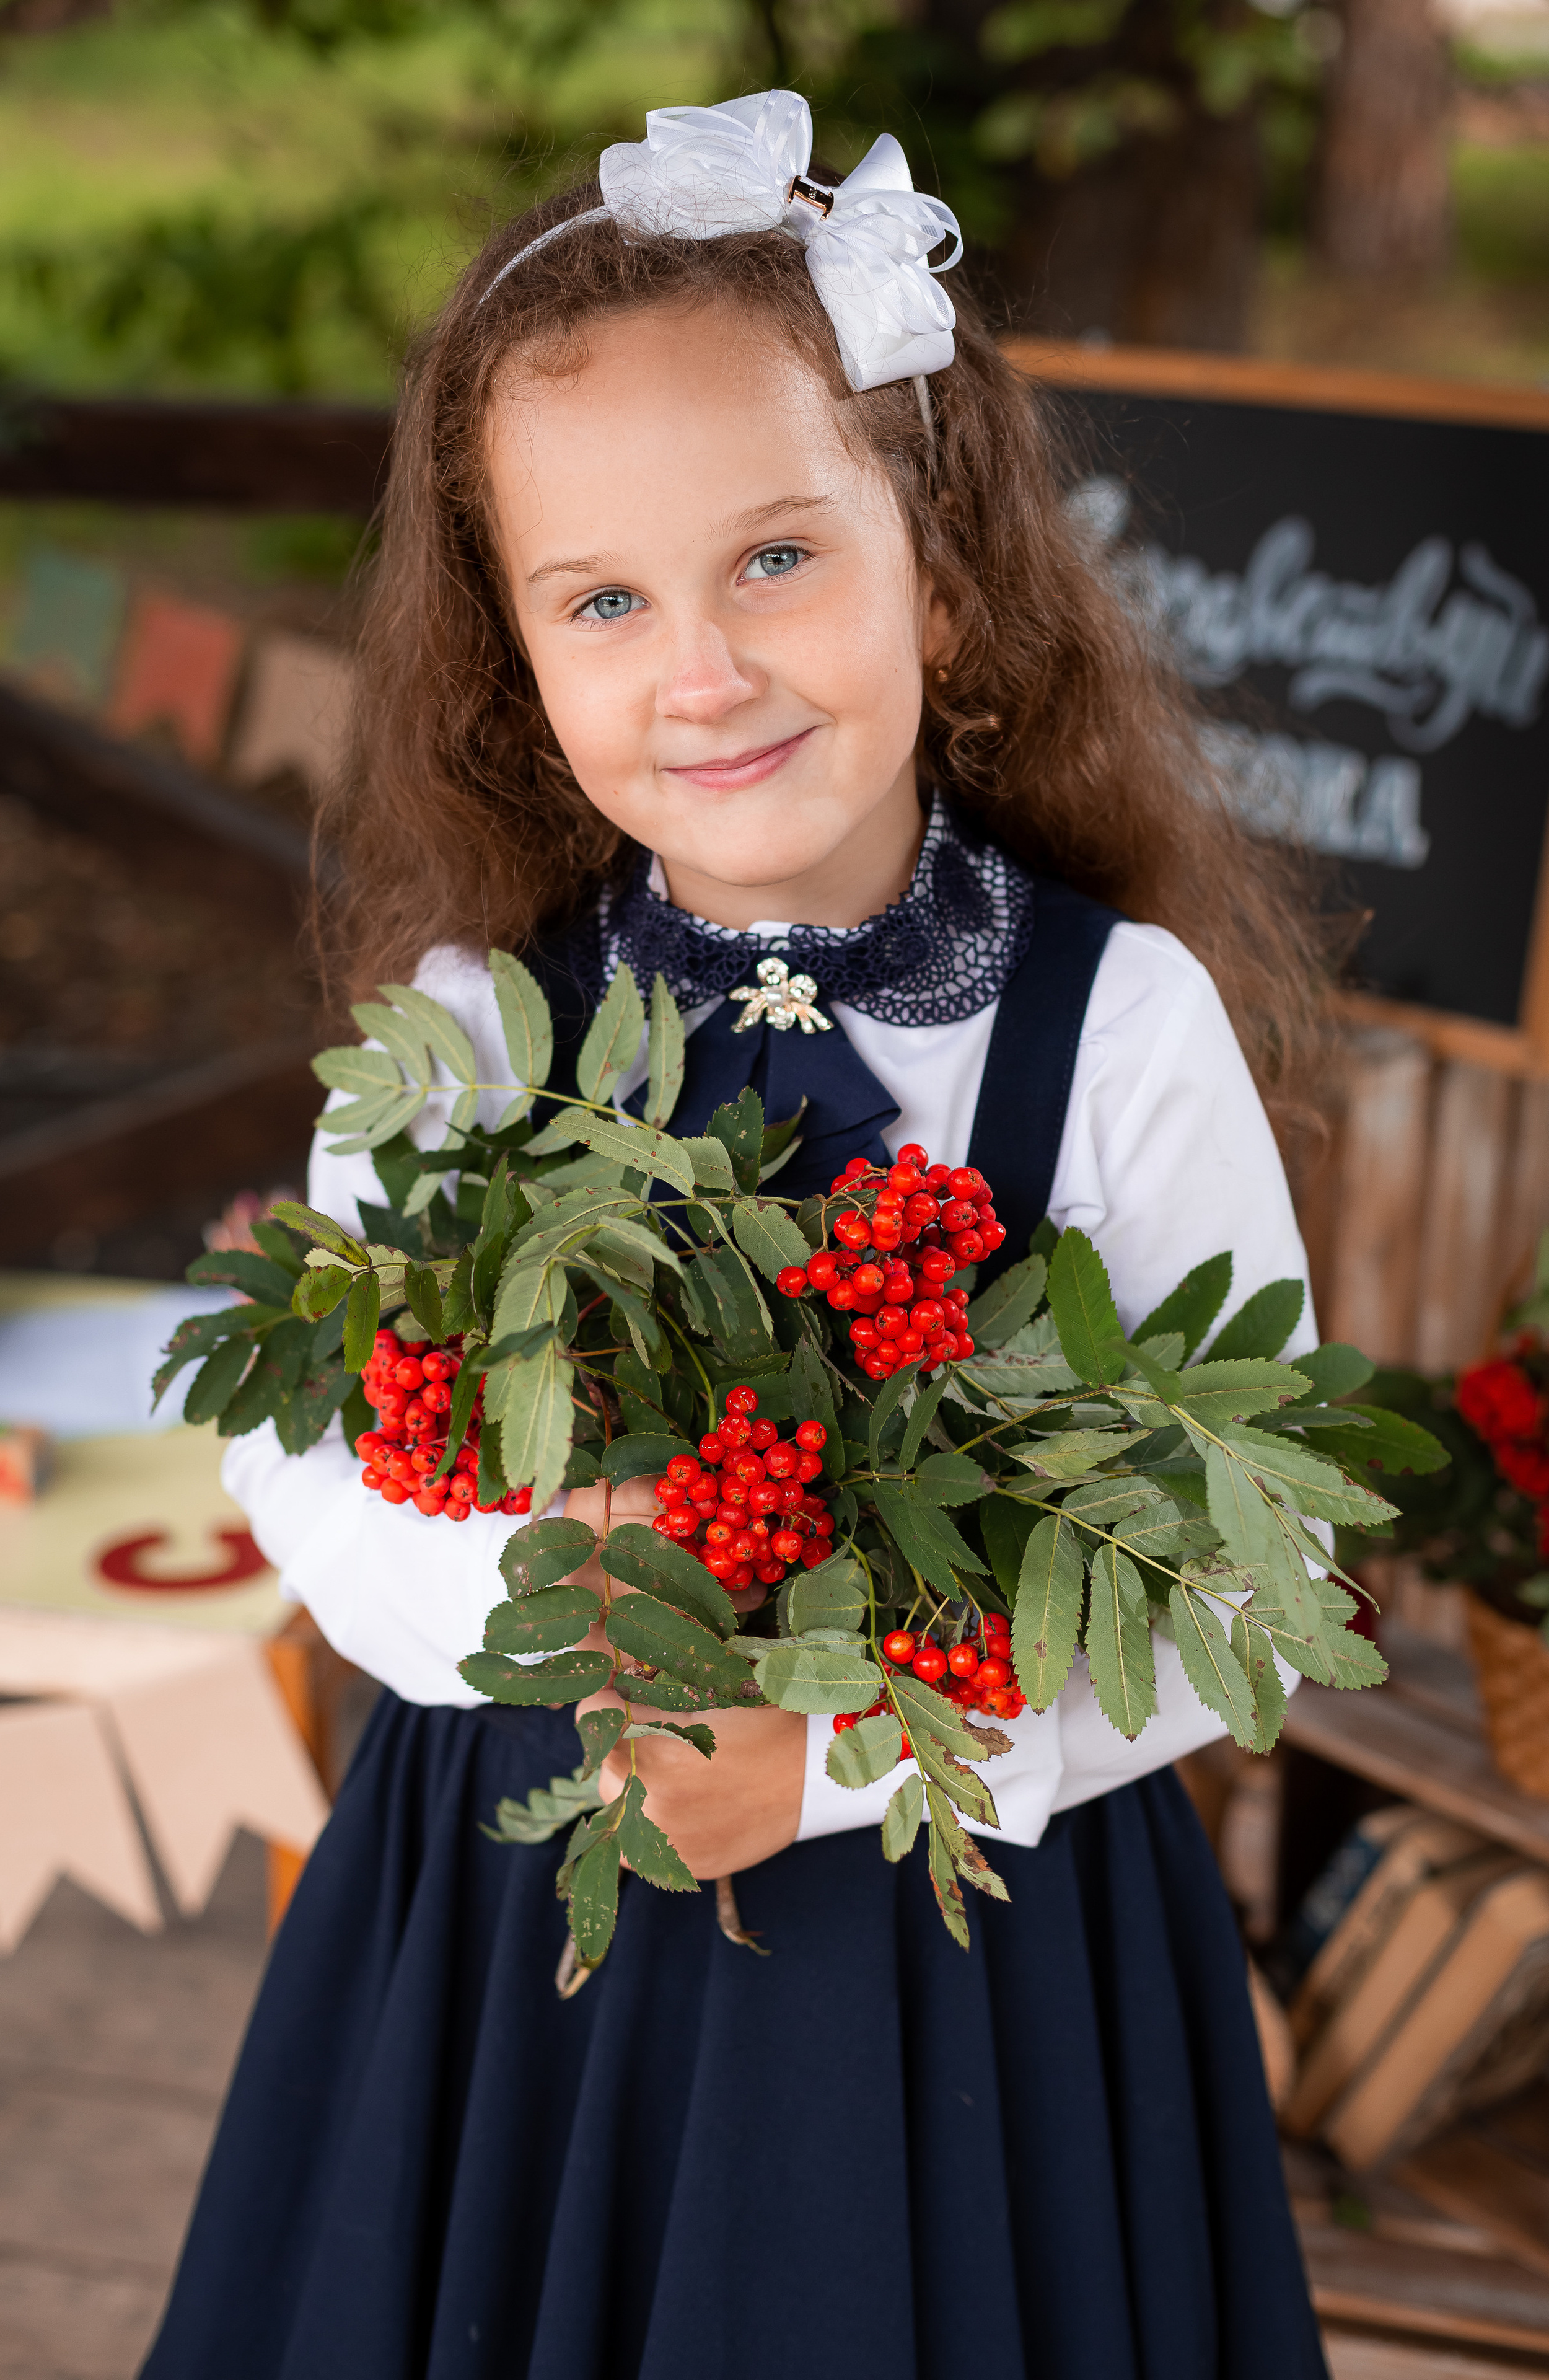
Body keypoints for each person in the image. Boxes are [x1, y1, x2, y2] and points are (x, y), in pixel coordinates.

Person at [143, 91, 1331, 2380]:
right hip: (526, 1929)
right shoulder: (480, 1035)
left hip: (968, 1949)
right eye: (604, 600)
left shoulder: (1117, 1028)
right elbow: (307, 1458)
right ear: (519, 659)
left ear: (945, 574)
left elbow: (1244, 1573)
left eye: (777, 558)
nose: (702, 666)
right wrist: (573, 1606)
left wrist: (848, 1752)